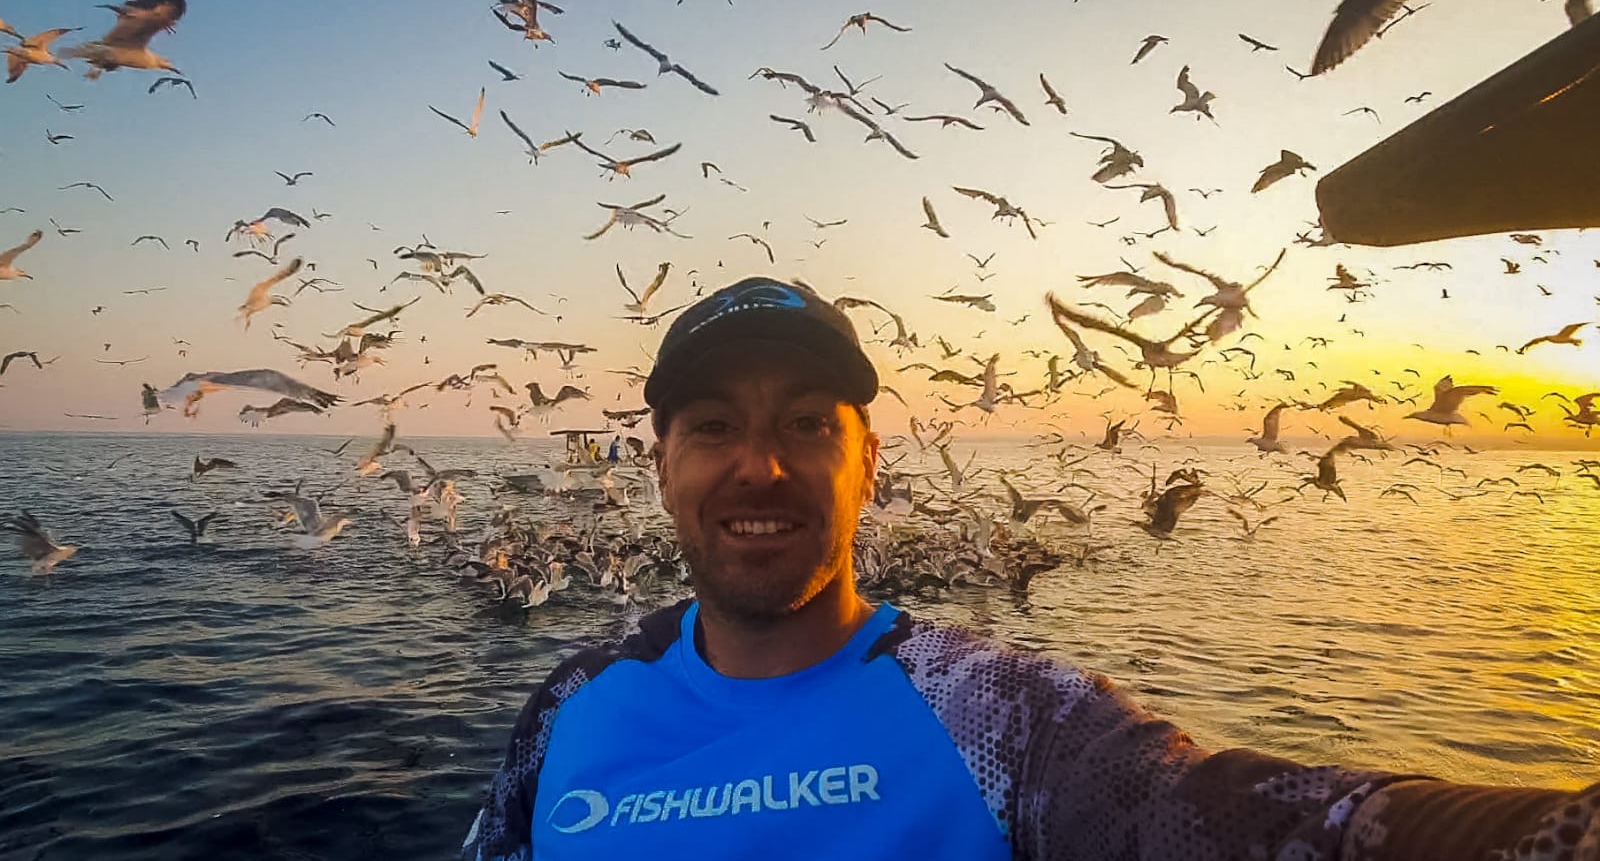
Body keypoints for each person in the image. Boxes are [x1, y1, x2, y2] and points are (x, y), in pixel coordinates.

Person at [462, 276, 1599, 860]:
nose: (759, 464)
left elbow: (1263, 824)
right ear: (659, 465)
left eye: (807, 422)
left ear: (870, 463)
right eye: (713, 425)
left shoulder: (1006, 717)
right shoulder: (569, 707)